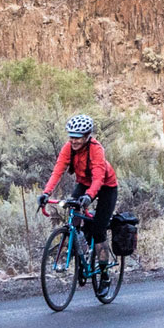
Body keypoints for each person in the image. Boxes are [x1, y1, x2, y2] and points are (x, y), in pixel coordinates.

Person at [37, 114, 119, 284]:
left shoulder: (96, 149)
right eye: (71, 137)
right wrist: (46, 193)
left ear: (87, 136)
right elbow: (57, 171)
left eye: (78, 138)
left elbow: (98, 178)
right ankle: (81, 250)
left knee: (98, 230)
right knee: (73, 215)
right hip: (83, 183)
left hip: (106, 187)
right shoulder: (68, 148)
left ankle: (104, 274)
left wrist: (89, 196)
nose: (74, 141)